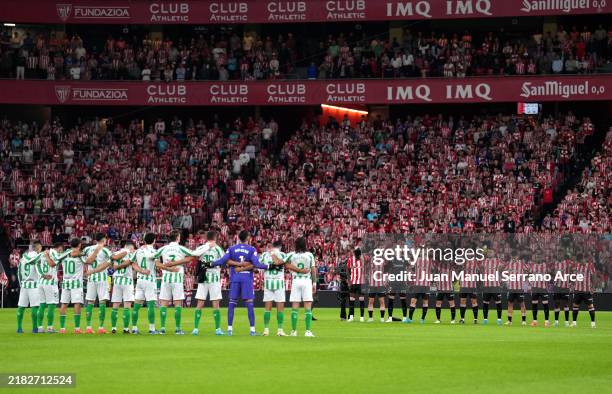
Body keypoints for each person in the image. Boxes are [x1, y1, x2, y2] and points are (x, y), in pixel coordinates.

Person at [211, 230, 278, 336]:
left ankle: (229, 330)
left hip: (235, 278)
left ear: (239, 238)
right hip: (247, 278)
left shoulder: (232, 249)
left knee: (232, 303)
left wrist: (210, 263)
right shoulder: (252, 249)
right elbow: (256, 264)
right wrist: (269, 266)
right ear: (248, 238)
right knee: (249, 304)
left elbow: (222, 260)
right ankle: (252, 330)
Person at [153, 230, 196, 335]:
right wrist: (177, 263)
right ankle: (177, 329)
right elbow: (193, 256)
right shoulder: (181, 248)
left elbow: (155, 260)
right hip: (177, 278)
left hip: (166, 278)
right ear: (177, 238)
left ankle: (162, 328)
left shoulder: (163, 248)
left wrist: (166, 266)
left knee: (164, 303)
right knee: (177, 303)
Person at [192, 231, 225, 336]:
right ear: (215, 238)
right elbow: (224, 260)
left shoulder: (202, 247)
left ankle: (196, 329)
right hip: (214, 278)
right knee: (216, 303)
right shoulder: (218, 248)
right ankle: (218, 329)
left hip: (203, 278)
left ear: (207, 237)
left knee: (200, 303)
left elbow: (195, 255)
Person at [56, 238, 91, 334]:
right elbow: (88, 261)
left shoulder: (64, 254)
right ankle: (77, 329)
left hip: (66, 282)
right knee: (77, 304)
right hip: (76, 283)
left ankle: (62, 329)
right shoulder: (80, 254)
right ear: (79, 245)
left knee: (64, 304)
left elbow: (57, 260)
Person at [285, 237, 317, 337]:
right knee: (307, 307)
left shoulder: (291, 255)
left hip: (296, 280)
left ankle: (294, 331)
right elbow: (313, 269)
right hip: (307, 281)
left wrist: (297, 270)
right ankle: (307, 331)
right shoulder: (309, 255)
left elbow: (286, 265)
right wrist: (314, 283)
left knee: (295, 307)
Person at [82, 233, 112, 334]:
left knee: (90, 302)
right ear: (103, 240)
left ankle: (88, 327)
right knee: (102, 302)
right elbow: (110, 261)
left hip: (90, 278)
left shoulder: (87, 249)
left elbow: (84, 260)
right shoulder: (105, 250)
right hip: (102, 278)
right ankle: (101, 327)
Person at [257, 240, 289, 336]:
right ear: (279, 247)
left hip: (268, 283)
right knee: (280, 308)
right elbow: (286, 265)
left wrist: (267, 266)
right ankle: (280, 330)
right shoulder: (283, 255)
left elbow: (258, 265)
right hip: (279, 283)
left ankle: (266, 330)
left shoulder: (264, 255)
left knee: (267, 308)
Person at [131, 232, 159, 334]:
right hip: (150, 280)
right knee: (151, 305)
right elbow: (158, 264)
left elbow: (132, 263)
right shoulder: (154, 251)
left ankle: (134, 328)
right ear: (154, 240)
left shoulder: (138, 251)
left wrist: (141, 271)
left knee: (137, 305)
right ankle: (152, 329)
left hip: (139, 280)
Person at [16, 242, 43, 334]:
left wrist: (21, 284)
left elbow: (18, 272)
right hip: (34, 285)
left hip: (24, 285)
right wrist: (43, 276)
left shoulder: (23, 258)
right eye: (40, 248)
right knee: (34, 306)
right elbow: (39, 271)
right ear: (37, 248)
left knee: (21, 306)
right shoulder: (37, 257)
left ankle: (19, 328)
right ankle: (35, 328)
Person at [36, 242, 63, 333]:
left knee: (42, 304)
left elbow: (37, 264)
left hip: (41, 282)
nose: (61, 252)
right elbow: (52, 264)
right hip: (50, 283)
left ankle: (40, 327)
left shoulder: (42, 253)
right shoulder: (54, 253)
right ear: (59, 248)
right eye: (61, 250)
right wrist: (48, 257)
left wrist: (42, 275)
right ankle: (50, 328)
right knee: (52, 305)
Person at [570, 259, 596, 328]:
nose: (581, 262)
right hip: (577, 290)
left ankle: (593, 324)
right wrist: (572, 285)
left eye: (582, 260)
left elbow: (594, 276)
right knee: (575, 307)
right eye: (579, 260)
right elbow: (574, 276)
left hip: (586, 290)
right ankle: (574, 323)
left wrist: (593, 287)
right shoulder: (577, 266)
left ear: (585, 259)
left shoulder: (590, 266)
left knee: (590, 306)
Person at [407, 258, 433, 324]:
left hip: (426, 285)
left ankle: (422, 319)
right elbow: (410, 265)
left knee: (425, 302)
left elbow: (435, 268)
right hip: (417, 285)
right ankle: (410, 319)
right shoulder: (416, 259)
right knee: (413, 301)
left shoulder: (431, 260)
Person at [481, 255, 504, 325]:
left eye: (491, 252)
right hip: (486, 286)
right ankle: (485, 319)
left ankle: (499, 319)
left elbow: (502, 268)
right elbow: (481, 269)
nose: (490, 253)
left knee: (498, 303)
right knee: (485, 304)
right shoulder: (484, 261)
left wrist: (500, 276)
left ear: (494, 253)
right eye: (489, 252)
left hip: (495, 286)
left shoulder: (497, 260)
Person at [505, 258, 527, 326]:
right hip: (511, 288)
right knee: (510, 304)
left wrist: (523, 277)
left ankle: (523, 321)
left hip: (519, 288)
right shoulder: (509, 264)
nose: (514, 258)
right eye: (512, 256)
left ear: (517, 257)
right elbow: (504, 271)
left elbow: (528, 270)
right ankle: (509, 321)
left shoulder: (521, 263)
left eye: (515, 256)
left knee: (522, 304)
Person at [528, 261, 551, 327]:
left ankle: (546, 321)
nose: (538, 257)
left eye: (539, 255)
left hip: (543, 288)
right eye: (537, 255)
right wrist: (530, 284)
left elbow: (550, 274)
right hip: (535, 288)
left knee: (545, 305)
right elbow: (530, 274)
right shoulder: (533, 265)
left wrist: (547, 282)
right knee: (534, 305)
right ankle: (535, 321)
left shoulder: (545, 265)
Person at [458, 260, 480, 324]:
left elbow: (480, 270)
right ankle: (462, 319)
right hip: (464, 285)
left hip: (472, 285)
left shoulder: (476, 262)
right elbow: (457, 270)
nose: (469, 254)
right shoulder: (462, 262)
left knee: (474, 302)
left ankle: (475, 319)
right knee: (462, 302)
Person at [346, 248, 365, 322]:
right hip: (353, 283)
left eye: (358, 255)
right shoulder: (351, 259)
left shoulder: (363, 259)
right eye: (356, 255)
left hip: (361, 283)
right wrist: (349, 280)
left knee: (361, 300)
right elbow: (347, 269)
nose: (357, 256)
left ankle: (362, 317)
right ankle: (351, 317)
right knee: (351, 300)